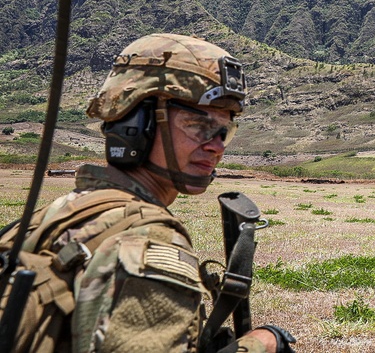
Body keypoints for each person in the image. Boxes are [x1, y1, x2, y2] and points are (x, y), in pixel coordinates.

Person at [8, 33, 294, 353]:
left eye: (224, 130)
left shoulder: (58, 212)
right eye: (198, 125)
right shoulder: (149, 241)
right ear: (136, 123)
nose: (215, 146)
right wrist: (259, 346)